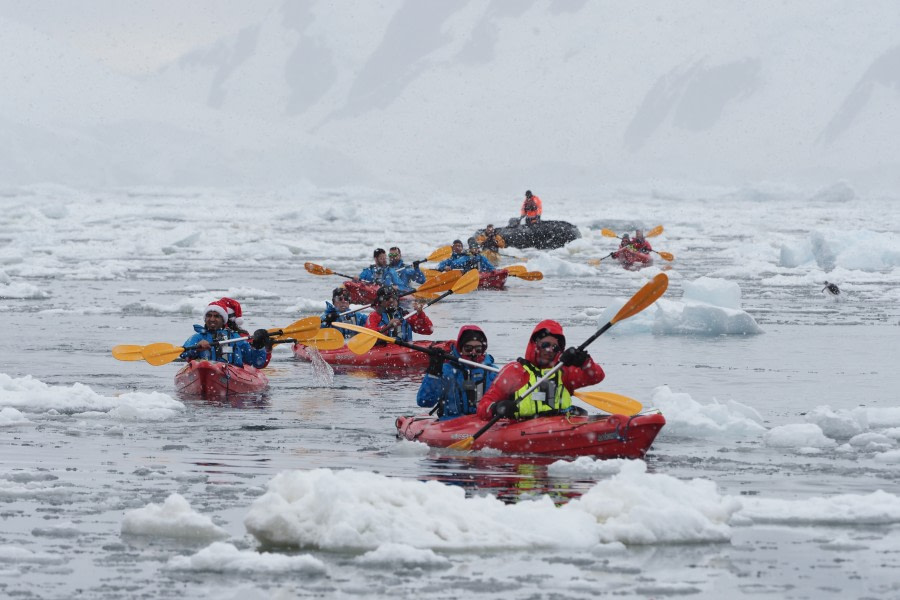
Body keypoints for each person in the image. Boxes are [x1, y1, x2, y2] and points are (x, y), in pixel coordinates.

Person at [476, 320, 604, 421]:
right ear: (535, 344)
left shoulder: (564, 372)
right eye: (545, 345)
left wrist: (585, 362)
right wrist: (497, 408)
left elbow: (597, 376)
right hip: (522, 428)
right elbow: (483, 405)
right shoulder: (514, 372)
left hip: (560, 425)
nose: (549, 350)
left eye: (554, 347)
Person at [417, 325, 498, 419]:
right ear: (460, 348)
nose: (473, 352)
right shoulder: (446, 371)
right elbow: (424, 401)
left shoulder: (492, 372)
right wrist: (434, 371)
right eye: (468, 348)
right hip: (451, 425)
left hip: (484, 423)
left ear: (483, 349)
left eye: (478, 349)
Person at [180, 301, 270, 367]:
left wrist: (259, 347)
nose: (212, 319)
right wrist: (197, 347)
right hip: (204, 371)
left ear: (223, 320)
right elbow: (183, 353)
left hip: (230, 374)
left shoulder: (235, 337)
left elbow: (256, 362)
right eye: (209, 315)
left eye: (216, 316)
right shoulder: (197, 337)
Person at [365, 285, 433, 342]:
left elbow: (428, 330)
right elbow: (369, 338)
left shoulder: (405, 315)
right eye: (387, 298)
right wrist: (387, 327)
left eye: (393, 298)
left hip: (404, 351)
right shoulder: (374, 316)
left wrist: (421, 314)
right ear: (380, 302)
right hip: (382, 352)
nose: (391, 301)